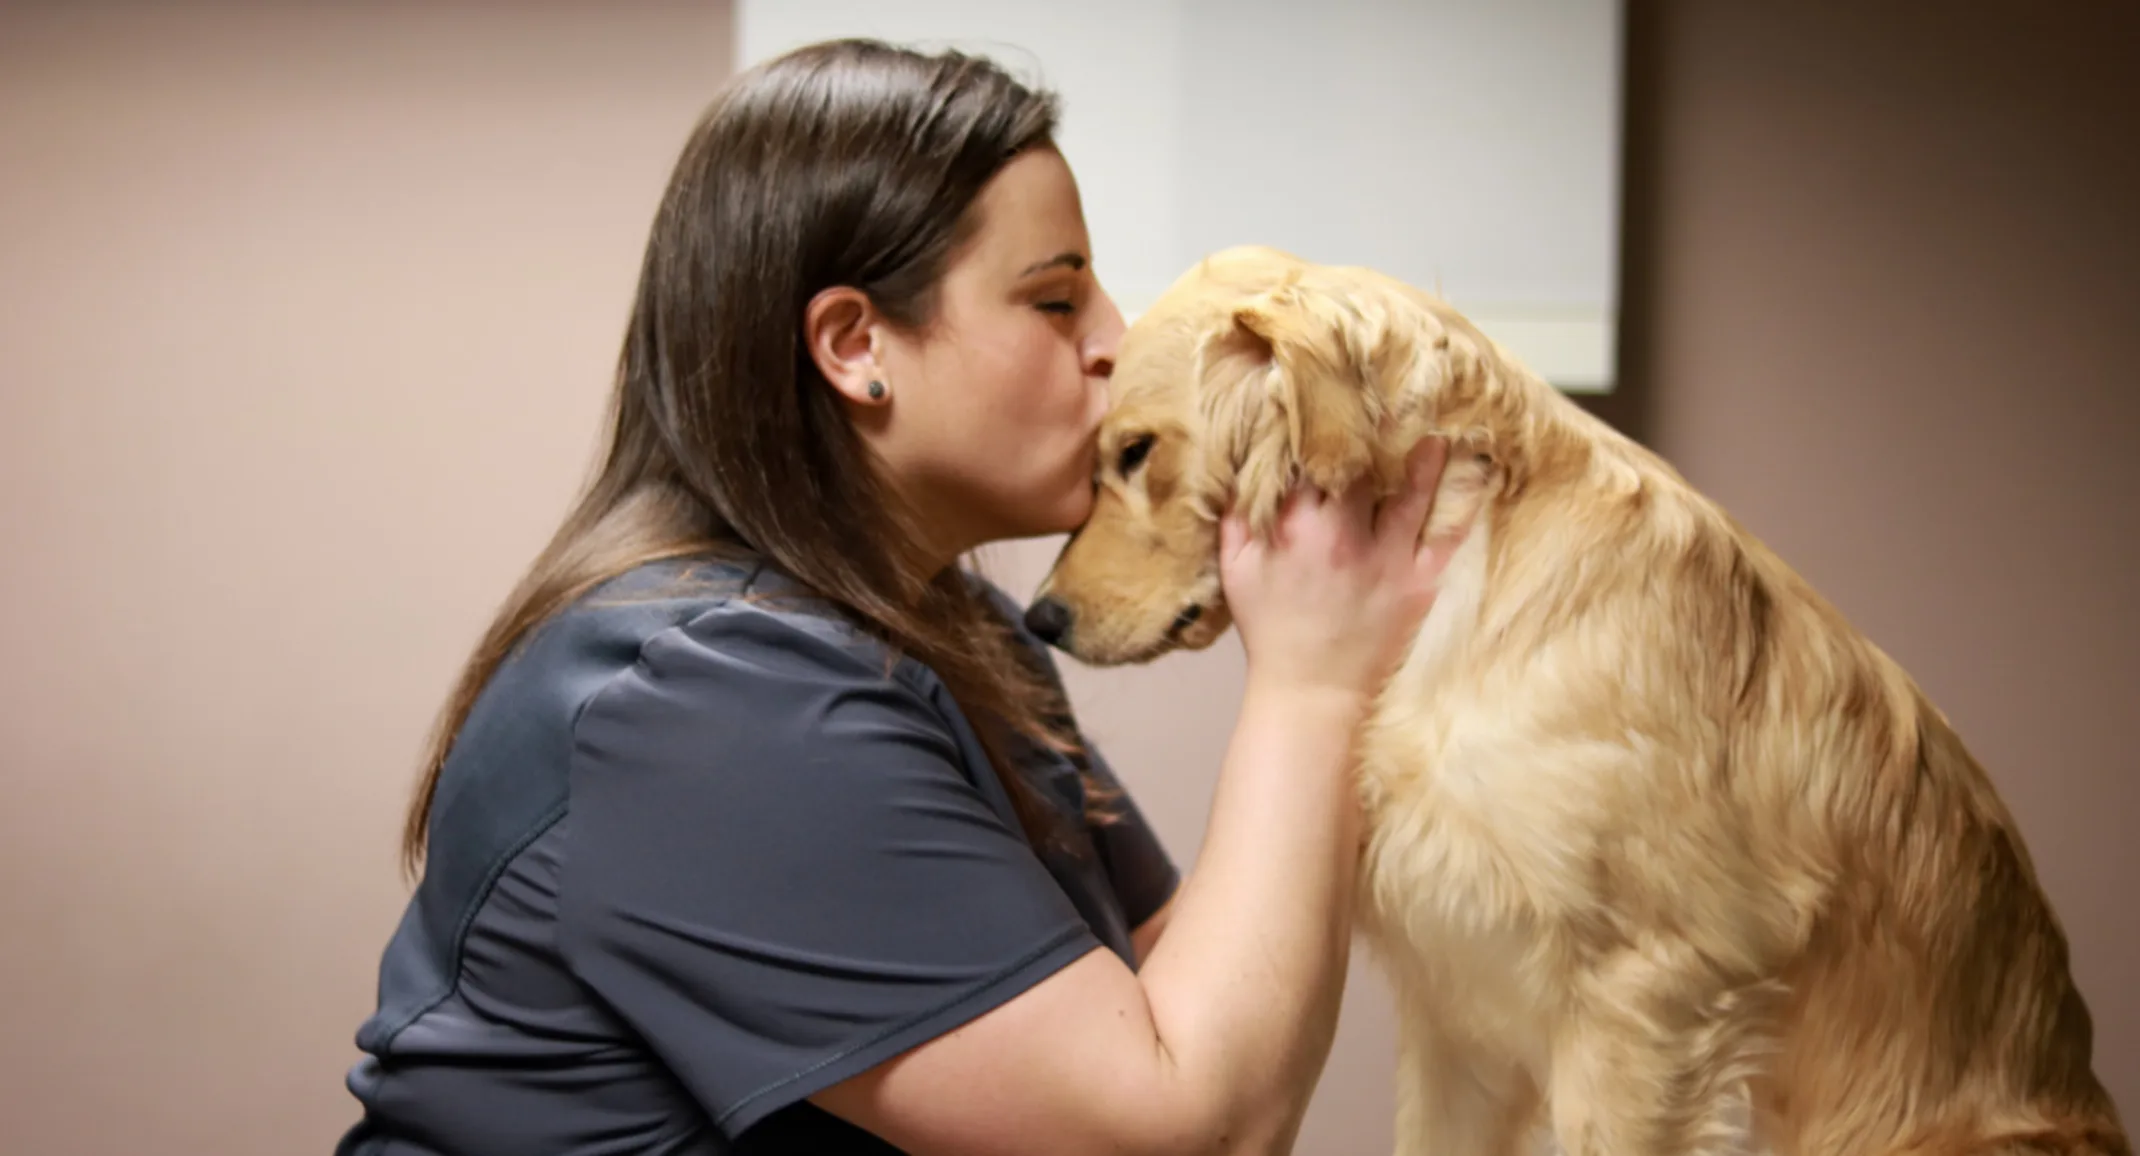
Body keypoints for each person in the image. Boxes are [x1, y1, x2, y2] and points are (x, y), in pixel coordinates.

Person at [336, 36, 1460, 1156]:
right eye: (1056, 299)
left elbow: (1196, 993)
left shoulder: (954, 628)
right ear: (854, 344)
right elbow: (1183, 1132)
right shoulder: (710, 702)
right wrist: (1312, 684)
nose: (1117, 343)